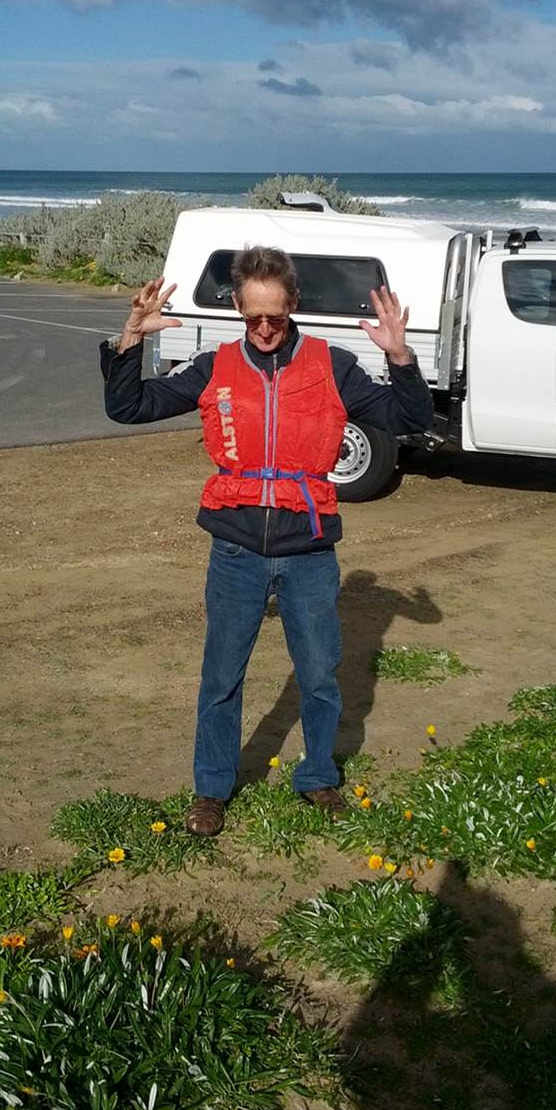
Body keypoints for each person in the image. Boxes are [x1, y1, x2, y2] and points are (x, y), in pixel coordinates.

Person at [100, 246, 433, 836]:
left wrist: (401, 357)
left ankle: (318, 776)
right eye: (252, 317)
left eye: (274, 317)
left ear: (293, 304)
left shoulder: (334, 366)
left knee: (320, 674)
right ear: (237, 307)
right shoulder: (216, 366)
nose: (263, 330)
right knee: (221, 677)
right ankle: (211, 789)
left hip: (308, 550)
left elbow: (410, 419)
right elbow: (129, 407)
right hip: (236, 550)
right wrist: (129, 340)